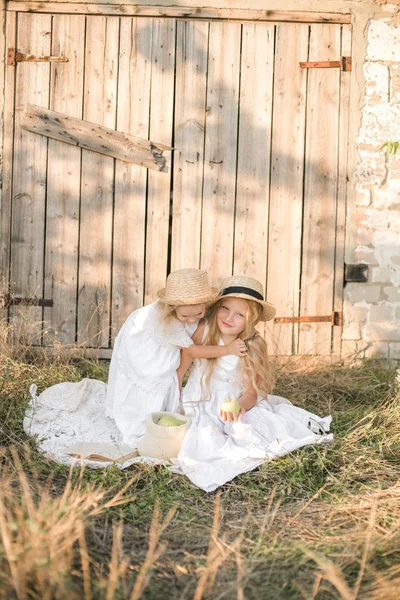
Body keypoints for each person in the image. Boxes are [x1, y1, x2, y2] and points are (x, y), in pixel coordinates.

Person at [177, 275, 332, 492]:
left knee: (245, 433)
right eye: (225, 308)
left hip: (231, 402)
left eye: (239, 314)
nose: (229, 318)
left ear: (251, 321)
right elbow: (182, 363)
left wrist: (239, 406)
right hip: (197, 399)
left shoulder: (252, 346)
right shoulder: (204, 332)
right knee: (193, 434)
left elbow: (250, 393)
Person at [105, 268, 247, 445]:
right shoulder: (167, 320)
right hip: (146, 348)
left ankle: (164, 407)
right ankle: (143, 414)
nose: (192, 320)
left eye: (199, 314)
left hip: (168, 341)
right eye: (185, 316)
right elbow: (193, 351)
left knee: (170, 377)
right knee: (155, 376)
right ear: (173, 308)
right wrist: (227, 349)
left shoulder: (193, 310)